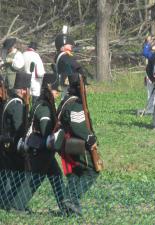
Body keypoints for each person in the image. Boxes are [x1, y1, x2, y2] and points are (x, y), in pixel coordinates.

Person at [23, 73, 77, 215]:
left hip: (44, 152)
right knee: (34, 180)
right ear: (49, 89)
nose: (57, 94)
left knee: (56, 177)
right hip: (40, 150)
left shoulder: (43, 103)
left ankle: (65, 208)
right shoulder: (44, 108)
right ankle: (17, 206)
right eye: (55, 90)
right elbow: (46, 131)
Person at [52, 73, 100, 215]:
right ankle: (71, 199)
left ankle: (69, 206)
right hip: (78, 143)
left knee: (77, 172)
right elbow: (77, 125)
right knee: (92, 171)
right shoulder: (76, 103)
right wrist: (90, 138)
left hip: (68, 143)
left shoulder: (67, 100)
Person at [0, 72, 31, 210]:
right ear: (24, 90)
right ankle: (11, 204)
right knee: (17, 178)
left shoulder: (9, 101)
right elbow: (19, 129)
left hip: (6, 144)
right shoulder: (17, 105)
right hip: (12, 147)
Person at [54, 32, 84, 100]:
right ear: (63, 46)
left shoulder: (61, 55)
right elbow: (75, 65)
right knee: (70, 100)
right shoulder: (65, 55)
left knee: (65, 98)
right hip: (69, 81)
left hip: (66, 81)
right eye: (68, 44)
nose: (71, 45)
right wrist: (82, 72)